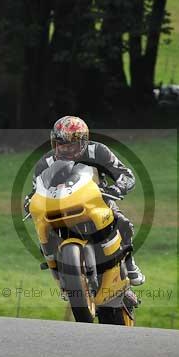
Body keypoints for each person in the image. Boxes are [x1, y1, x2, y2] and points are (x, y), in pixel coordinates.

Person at [25, 115, 145, 286]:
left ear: (83, 141)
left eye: (70, 144)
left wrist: (117, 188)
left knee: (122, 222)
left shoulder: (98, 151)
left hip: (97, 200)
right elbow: (36, 189)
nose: (65, 149)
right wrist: (29, 201)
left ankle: (129, 263)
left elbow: (126, 174)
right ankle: (61, 273)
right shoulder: (45, 162)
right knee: (44, 234)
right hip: (59, 206)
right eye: (60, 144)